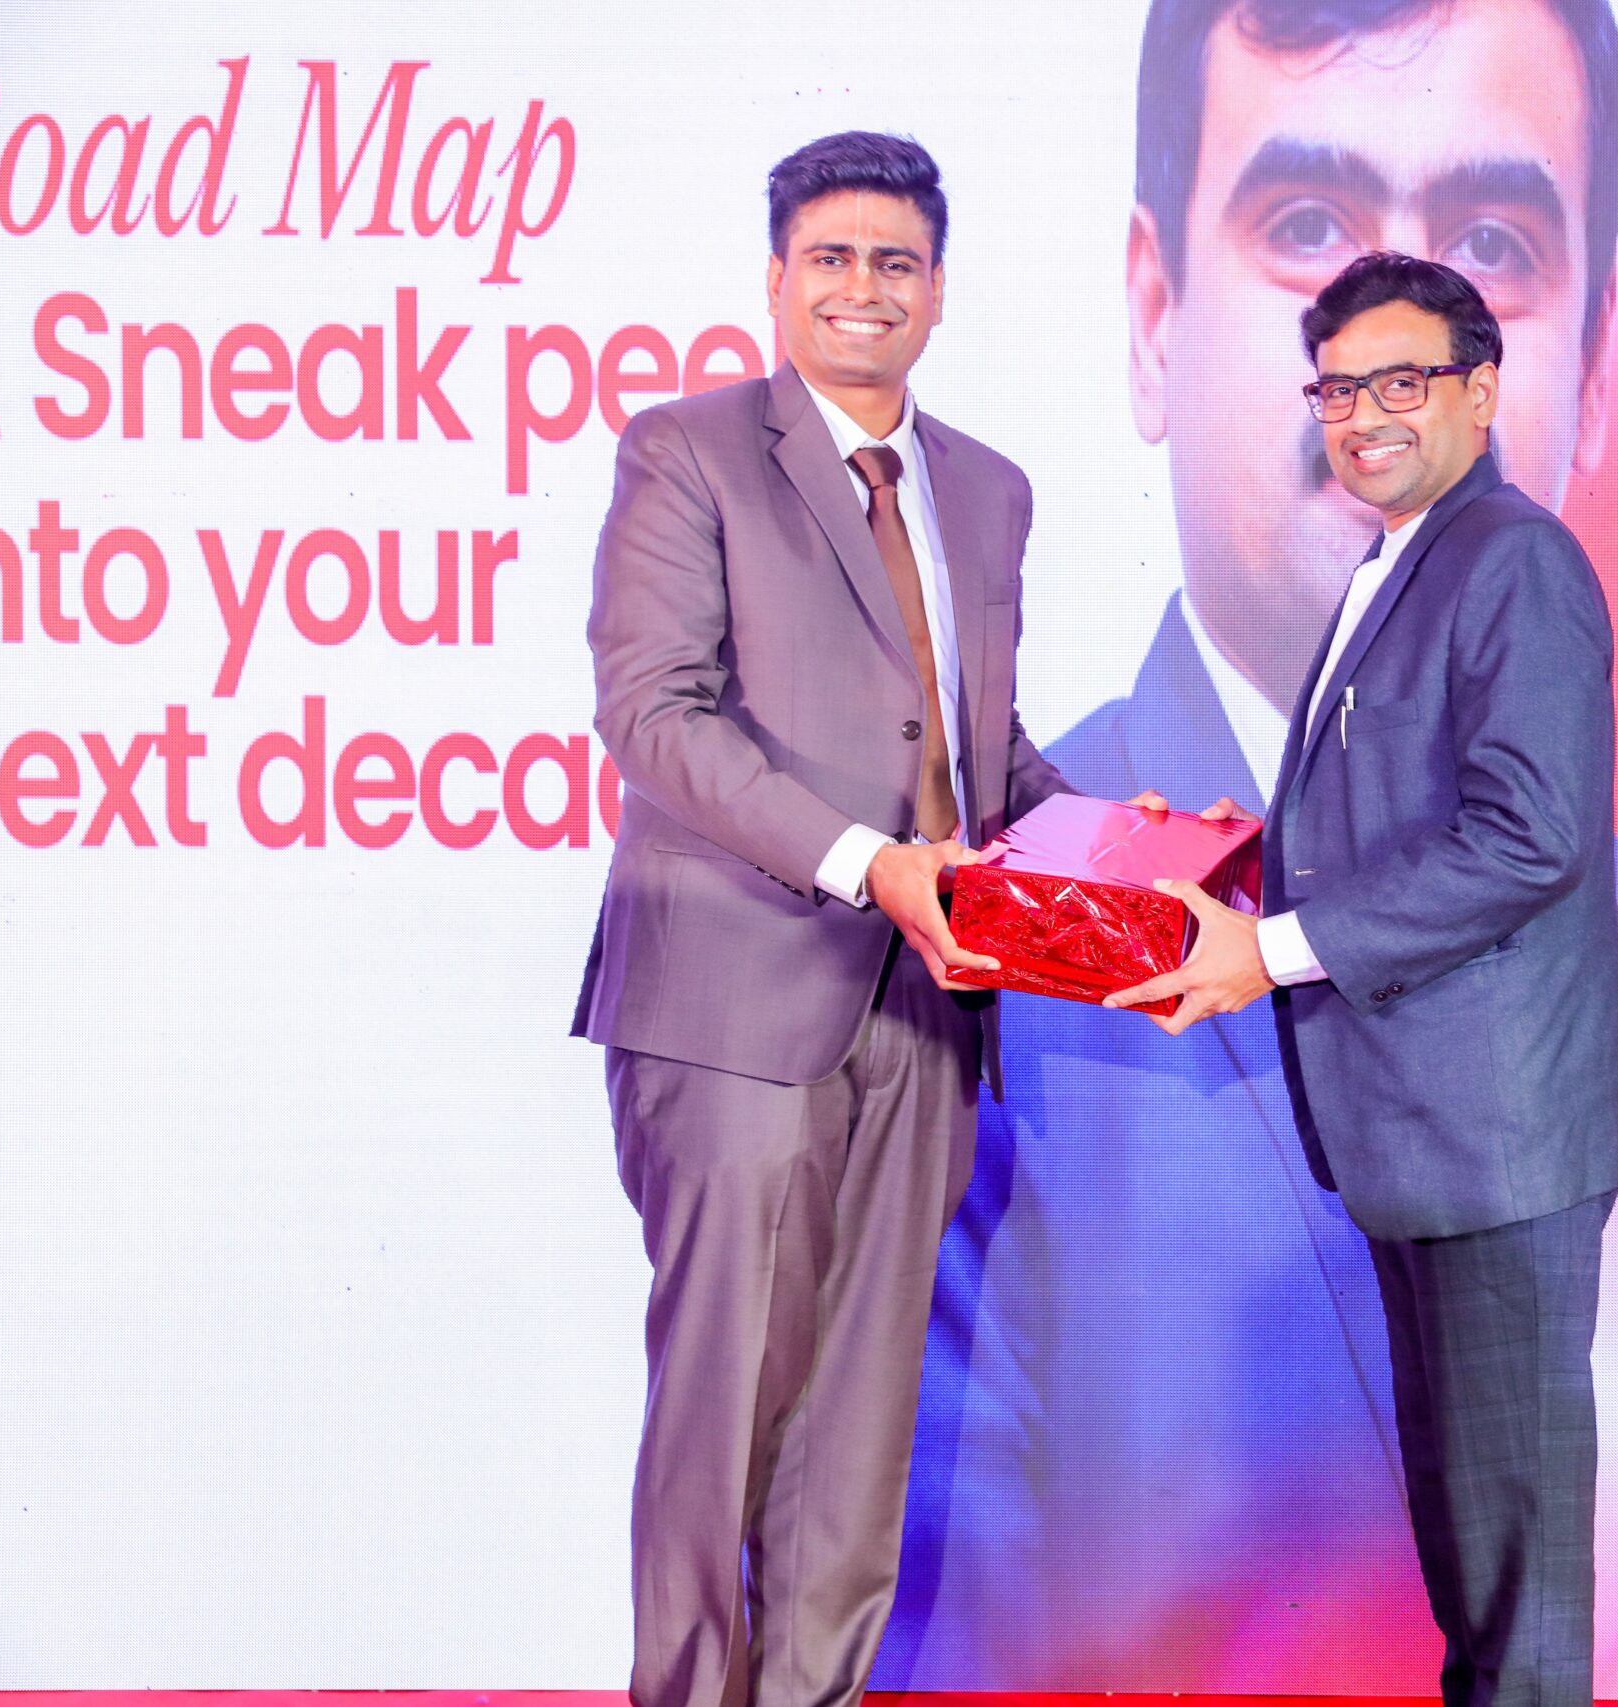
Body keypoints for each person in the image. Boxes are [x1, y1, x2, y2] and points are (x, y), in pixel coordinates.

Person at [887, 3, 1618, 1701]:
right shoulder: (1027, 944)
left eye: (1493, 248)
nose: (1369, 409)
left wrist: (1266, 945)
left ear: (1567, 375)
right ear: (1155, 317)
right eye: (1308, 225)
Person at [1110, 245, 1618, 1707]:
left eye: (1402, 381)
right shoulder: (1401, 560)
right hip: (1434, 1137)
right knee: (1479, 1562)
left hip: (1497, 1140)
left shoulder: (1512, 559)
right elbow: (1403, 816)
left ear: (1482, 391)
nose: (1364, 415)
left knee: (1514, 1581)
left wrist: (1268, 949)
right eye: (1340, 389)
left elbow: (1528, 836)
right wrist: (1238, 857)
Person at [571, 131, 1077, 1707]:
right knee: (725, 1408)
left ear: (939, 289)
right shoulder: (689, 452)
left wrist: (1127, 850)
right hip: (734, 1005)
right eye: (833, 259)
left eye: (895, 261)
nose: (866, 288)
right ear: (779, 281)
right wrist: (867, 861)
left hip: (930, 1007)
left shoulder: (987, 490)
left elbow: (977, 753)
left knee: (861, 1433)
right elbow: (656, 716)